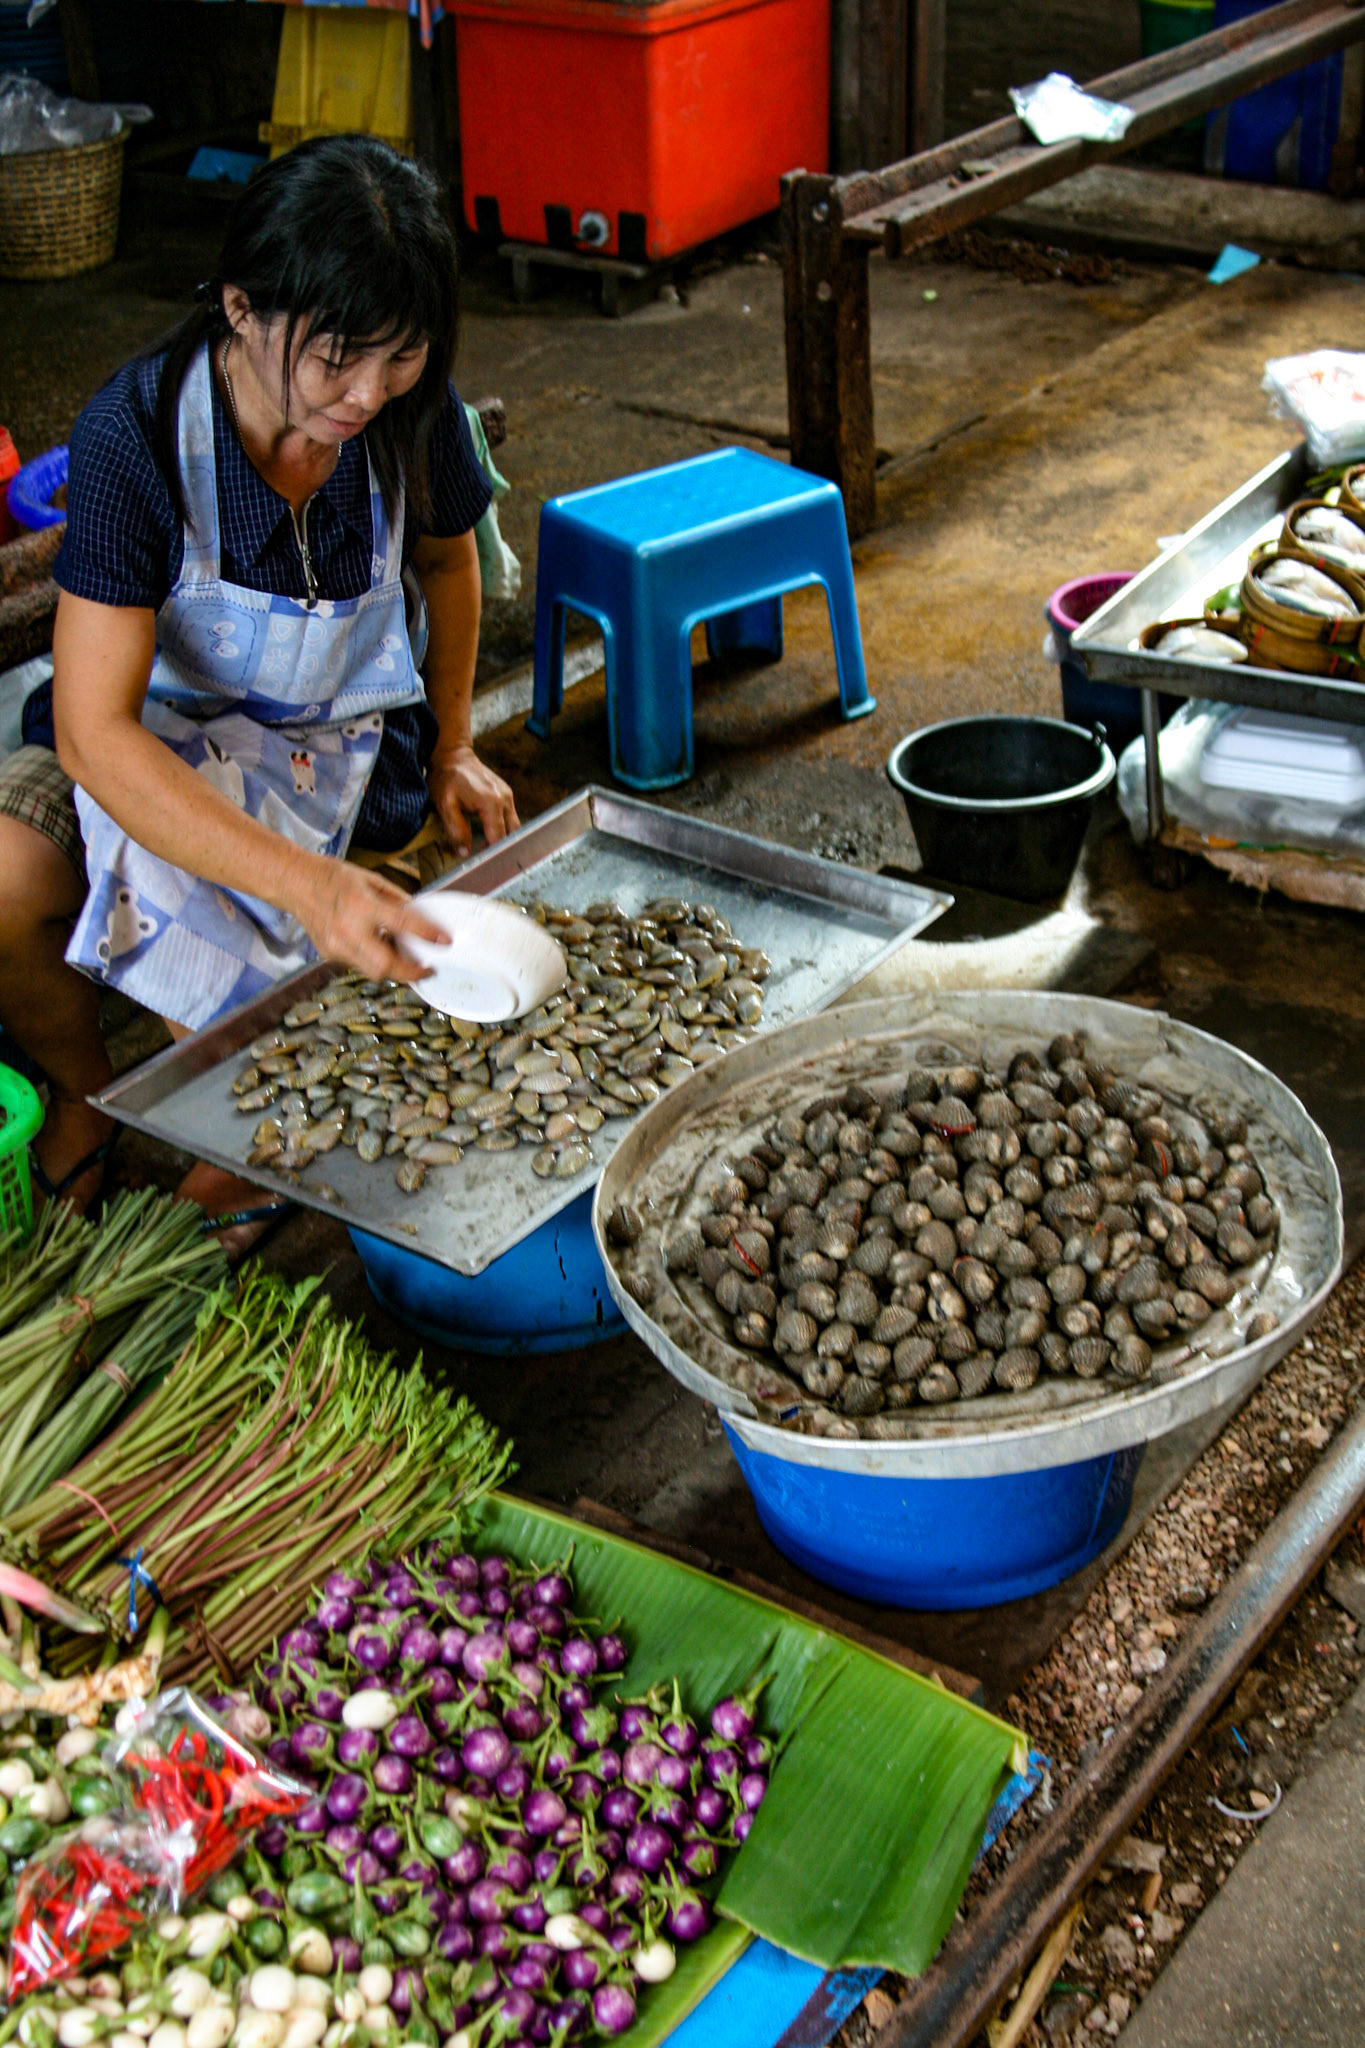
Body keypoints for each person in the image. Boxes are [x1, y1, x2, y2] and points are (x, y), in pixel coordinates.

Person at [0, 133, 519, 1224]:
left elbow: (447, 558)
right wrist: (308, 887)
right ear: (241, 306)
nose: (370, 393)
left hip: (338, 753)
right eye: (336, 358)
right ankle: (87, 1099)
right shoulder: (136, 437)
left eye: (403, 355)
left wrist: (458, 740)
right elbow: (96, 732)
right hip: (151, 745)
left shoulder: (407, 413)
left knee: (265, 1109)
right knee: (3, 884)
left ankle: (233, 1154)